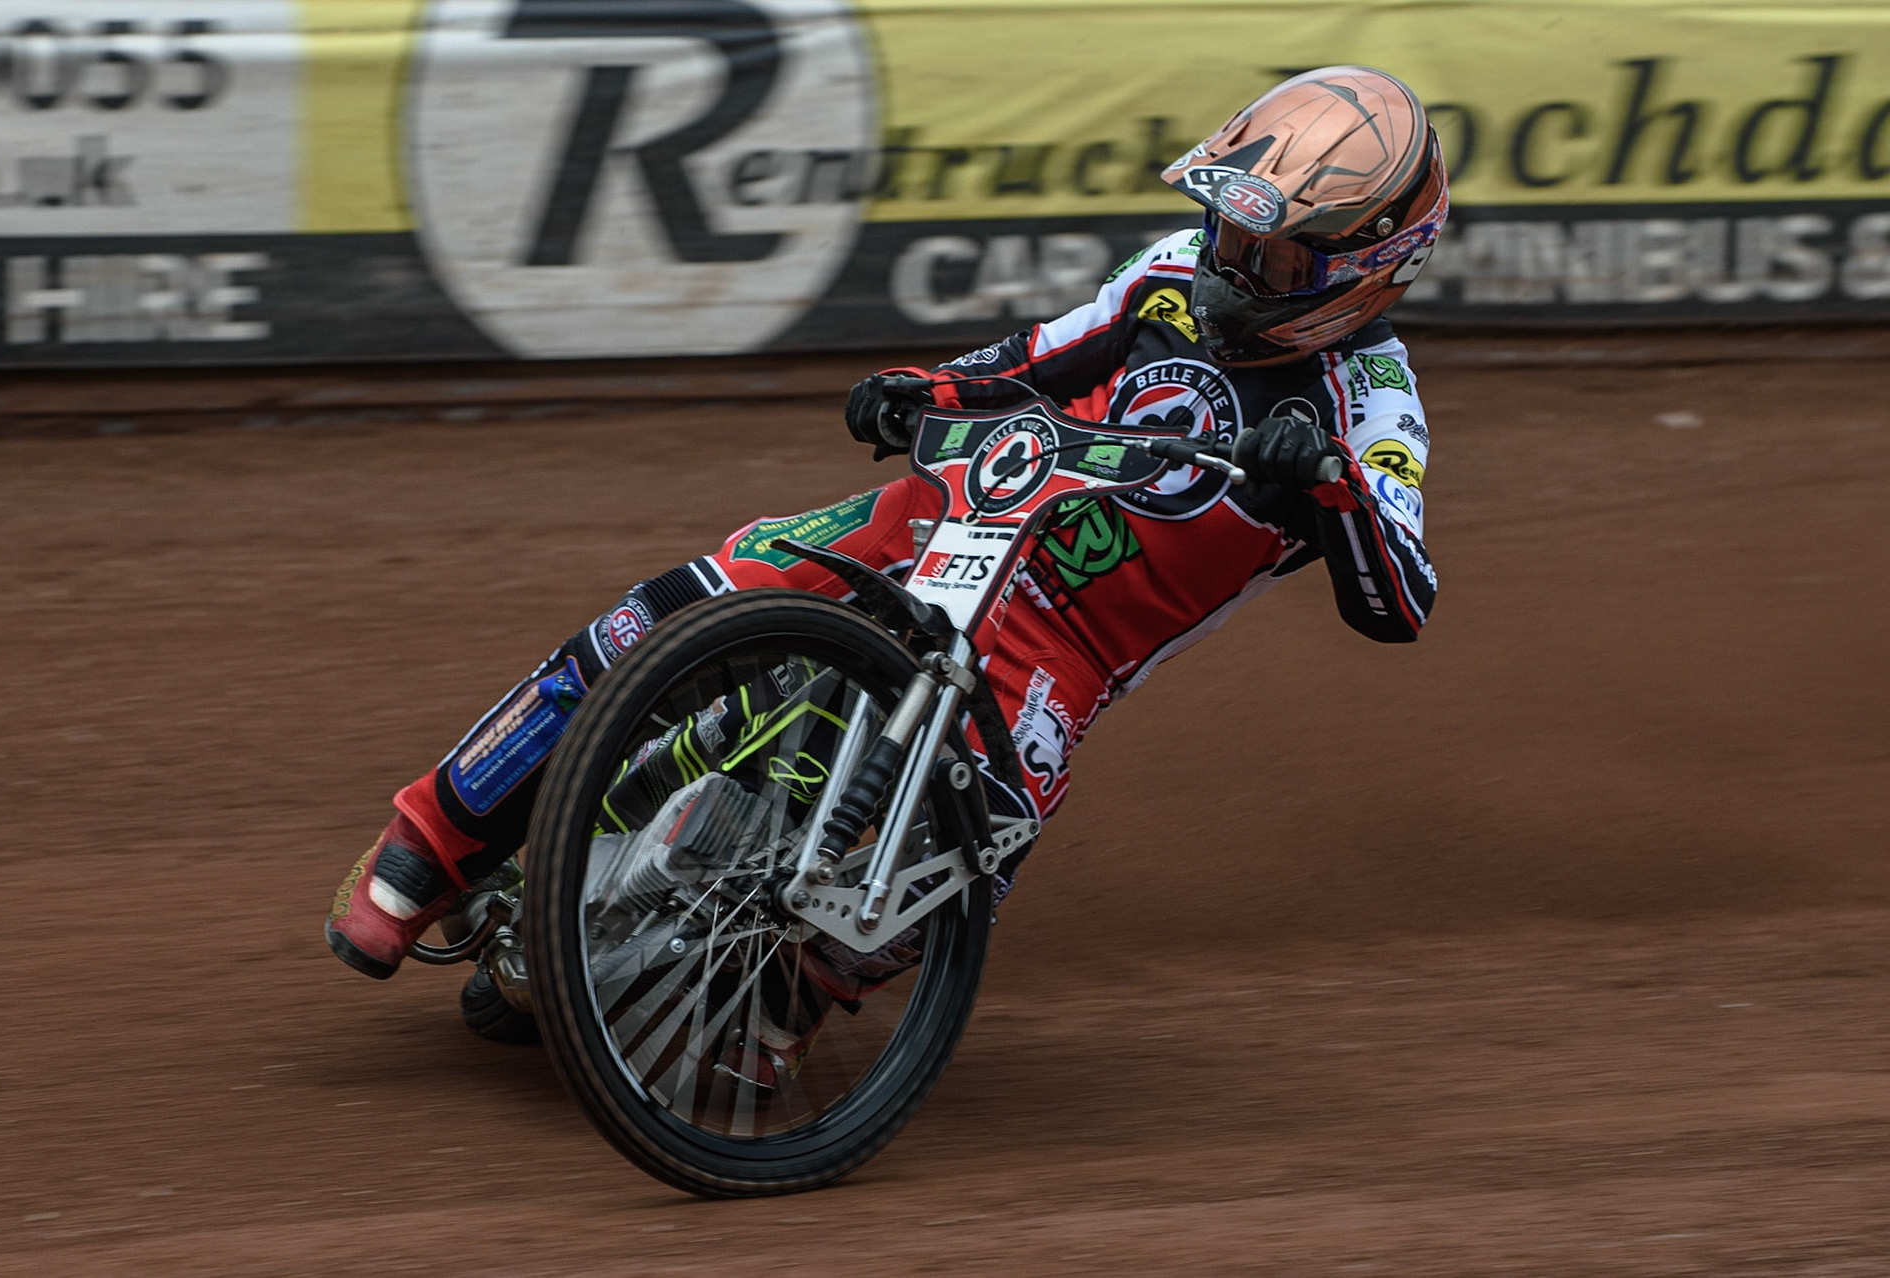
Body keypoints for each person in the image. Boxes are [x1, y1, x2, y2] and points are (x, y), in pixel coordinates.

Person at [326, 65, 1448, 1067]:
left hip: (1061, 646)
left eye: (1274, 255)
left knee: (987, 837)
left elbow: (1401, 597)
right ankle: (429, 842)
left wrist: (1330, 483)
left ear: (1368, 270)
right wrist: (922, 388)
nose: (1232, 265)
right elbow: (1035, 360)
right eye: (1230, 231)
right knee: (672, 609)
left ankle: (787, 1003)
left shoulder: (1374, 407)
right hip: (937, 517)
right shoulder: (1170, 270)